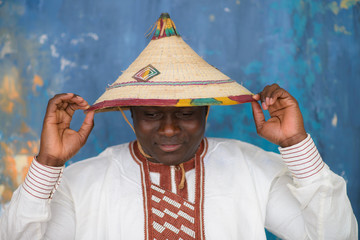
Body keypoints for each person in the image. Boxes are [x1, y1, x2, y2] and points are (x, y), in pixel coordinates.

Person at [0, 13, 358, 239]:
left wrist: (296, 144)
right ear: (130, 114)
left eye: (185, 113)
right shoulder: (81, 184)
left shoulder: (252, 169)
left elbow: (334, 236)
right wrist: (48, 165)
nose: (169, 129)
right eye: (152, 114)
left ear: (206, 112)